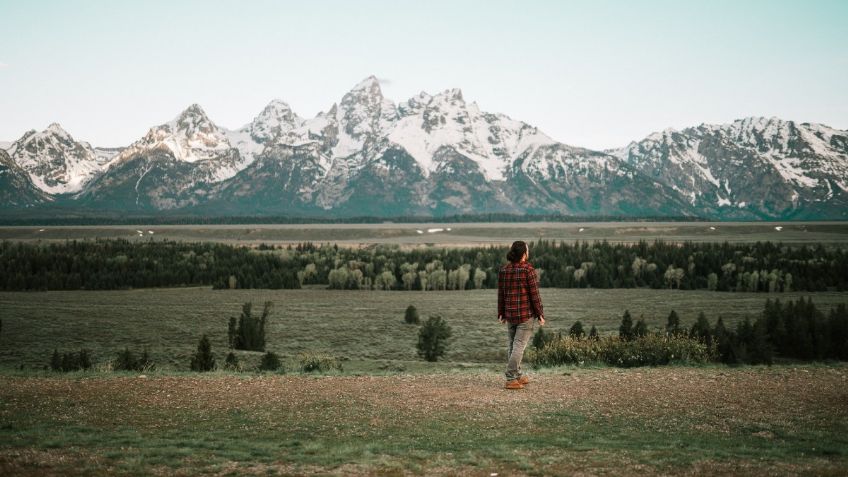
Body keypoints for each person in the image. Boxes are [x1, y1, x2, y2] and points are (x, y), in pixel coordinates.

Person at [497, 240, 545, 390]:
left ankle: (517, 375)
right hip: (525, 315)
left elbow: (501, 294)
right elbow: (534, 295)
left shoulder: (504, 270)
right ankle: (511, 378)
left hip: (510, 314)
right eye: (527, 250)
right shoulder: (528, 270)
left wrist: (501, 312)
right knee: (518, 346)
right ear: (524, 254)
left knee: (513, 345)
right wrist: (540, 314)